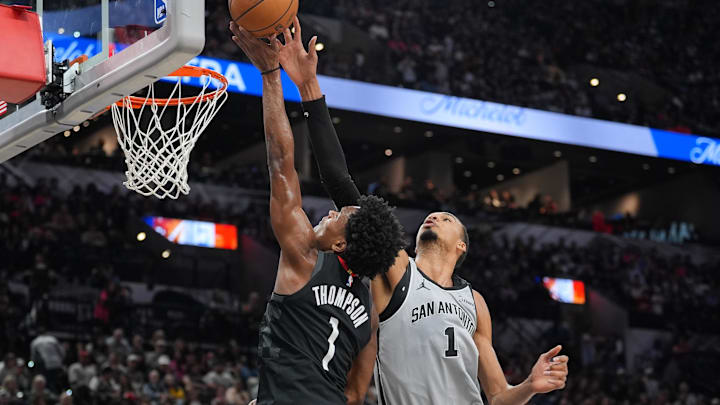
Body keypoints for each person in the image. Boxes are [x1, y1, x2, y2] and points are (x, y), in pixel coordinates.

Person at [274, 18, 570, 404]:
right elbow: (338, 180)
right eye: (434, 216)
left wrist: (529, 386)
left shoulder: (475, 302)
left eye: (448, 219)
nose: (436, 216)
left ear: (461, 245)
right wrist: (308, 87)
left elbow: (497, 396)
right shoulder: (396, 267)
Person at [229, 18, 405, 405]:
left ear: (341, 243)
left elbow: (281, 163)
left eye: (337, 216)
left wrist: (270, 75)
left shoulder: (306, 256)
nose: (328, 212)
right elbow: (356, 394)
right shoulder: (371, 312)